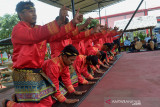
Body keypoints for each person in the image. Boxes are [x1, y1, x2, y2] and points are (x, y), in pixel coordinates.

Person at [2, 1, 82, 107]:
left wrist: (73, 23)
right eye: (30, 11)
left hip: (37, 73)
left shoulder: (38, 29)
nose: (34, 14)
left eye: (35, 11)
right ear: (21, 15)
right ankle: (8, 103)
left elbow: (58, 35)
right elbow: (35, 35)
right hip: (24, 74)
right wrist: (58, 20)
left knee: (47, 102)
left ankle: (18, 98)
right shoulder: (18, 30)